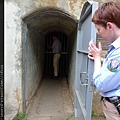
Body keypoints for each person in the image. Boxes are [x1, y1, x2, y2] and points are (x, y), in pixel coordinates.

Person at [88, 2, 120, 120]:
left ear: (110, 26)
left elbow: (102, 85)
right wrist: (103, 60)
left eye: (99, 29)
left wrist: (97, 58)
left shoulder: (118, 52)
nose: (98, 32)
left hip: (115, 110)